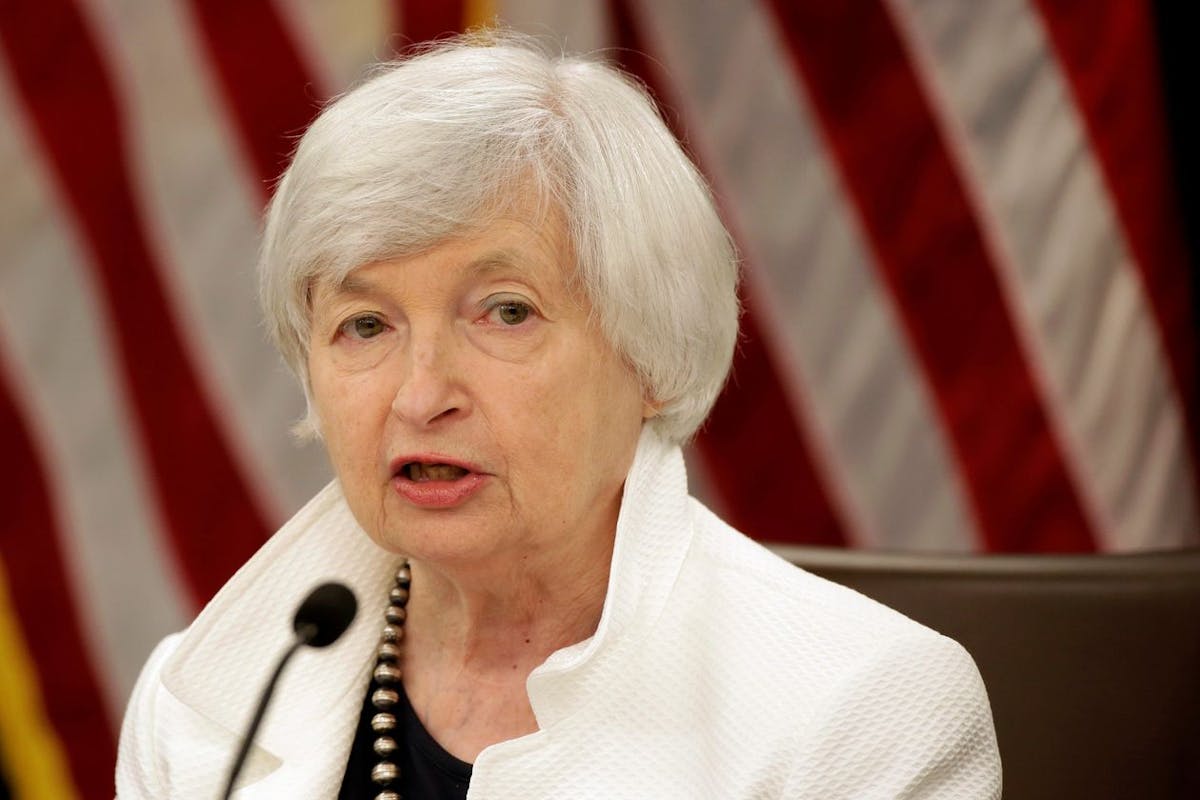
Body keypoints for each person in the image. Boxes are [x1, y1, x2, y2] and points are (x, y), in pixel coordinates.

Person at [115, 32, 1001, 799]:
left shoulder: (863, 715)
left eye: (505, 312)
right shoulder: (204, 708)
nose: (423, 395)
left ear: (649, 354)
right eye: (366, 325)